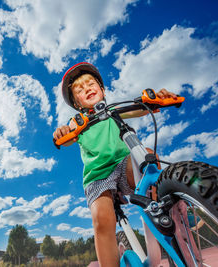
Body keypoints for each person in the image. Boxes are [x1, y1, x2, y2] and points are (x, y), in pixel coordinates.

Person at [53, 62, 177, 267]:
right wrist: (62, 132)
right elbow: (67, 137)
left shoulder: (113, 109)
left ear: (102, 89)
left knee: (147, 156)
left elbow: (142, 109)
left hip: (123, 163)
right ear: (77, 103)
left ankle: (170, 211)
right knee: (102, 222)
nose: (87, 89)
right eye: (80, 90)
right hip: (98, 174)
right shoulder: (79, 120)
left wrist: (156, 99)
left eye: (91, 84)